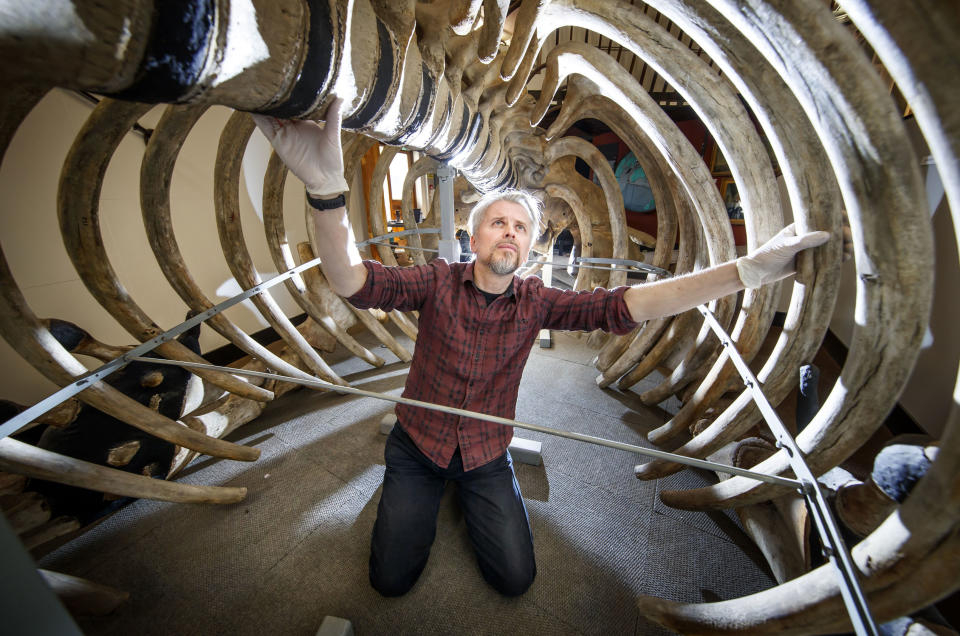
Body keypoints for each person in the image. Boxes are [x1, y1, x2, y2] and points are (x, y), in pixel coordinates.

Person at [252, 99, 830, 598]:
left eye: (520, 227)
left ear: (528, 247)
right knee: (390, 580)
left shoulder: (537, 300)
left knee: (515, 578)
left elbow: (630, 304)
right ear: (473, 238)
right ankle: (415, 492)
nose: (509, 231)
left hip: (485, 452)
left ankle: (458, 493)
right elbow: (353, 281)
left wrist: (747, 271)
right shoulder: (435, 281)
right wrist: (327, 192)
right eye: (497, 223)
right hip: (417, 445)